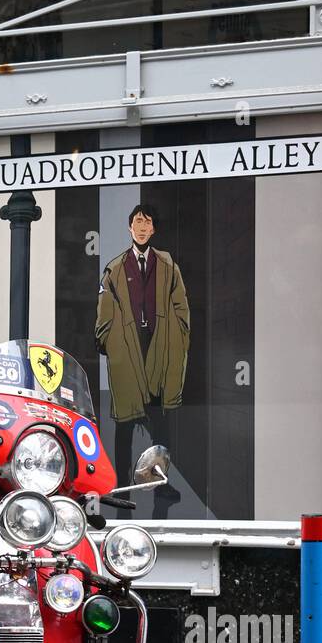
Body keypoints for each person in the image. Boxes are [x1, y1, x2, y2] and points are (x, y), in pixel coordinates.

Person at [95, 203, 189, 514]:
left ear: (154, 229)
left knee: (161, 425)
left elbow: (181, 308)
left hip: (160, 347)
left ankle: (162, 485)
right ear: (129, 228)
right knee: (124, 427)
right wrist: (112, 342)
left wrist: (178, 339)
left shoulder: (167, 265)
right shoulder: (115, 268)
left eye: (148, 222)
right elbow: (104, 316)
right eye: (137, 222)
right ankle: (121, 489)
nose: (143, 227)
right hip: (128, 348)